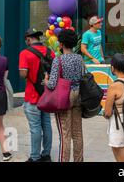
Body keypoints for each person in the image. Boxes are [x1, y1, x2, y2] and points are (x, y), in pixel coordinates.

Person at [45, 29, 84, 162]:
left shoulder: (58, 60)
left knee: (65, 135)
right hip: (78, 95)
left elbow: (51, 84)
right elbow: (83, 76)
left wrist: (45, 80)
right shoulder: (79, 58)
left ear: (61, 44)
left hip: (64, 98)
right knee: (77, 134)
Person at [19, 28, 55, 162]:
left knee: (35, 128)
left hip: (32, 96)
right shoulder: (51, 52)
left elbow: (23, 74)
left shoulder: (24, 53)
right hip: (47, 96)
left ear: (28, 39)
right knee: (47, 125)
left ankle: (35, 157)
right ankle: (46, 155)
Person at [104, 53, 124, 162]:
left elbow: (107, 112)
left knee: (122, 160)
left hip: (120, 125)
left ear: (113, 68)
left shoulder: (114, 86)